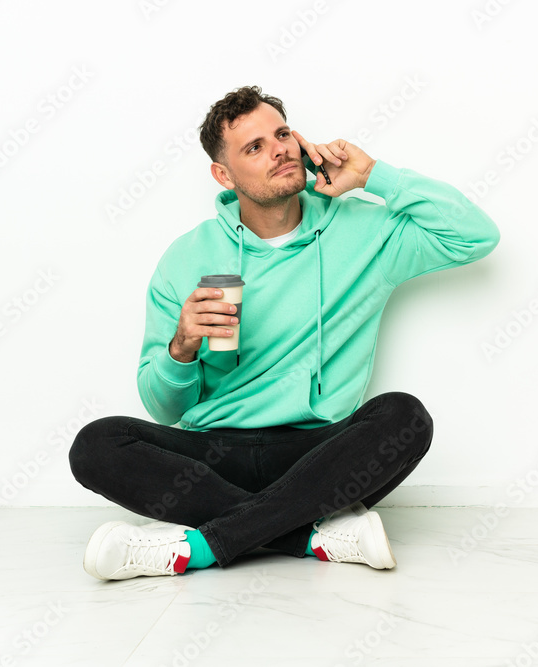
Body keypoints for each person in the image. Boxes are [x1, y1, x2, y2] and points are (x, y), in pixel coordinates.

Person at [69, 85, 499, 580]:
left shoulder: (366, 233)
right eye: (254, 147)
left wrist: (373, 176)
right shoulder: (186, 257)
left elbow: (476, 236)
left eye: (282, 134)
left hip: (317, 455)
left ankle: (201, 547)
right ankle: (308, 535)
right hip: (213, 454)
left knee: (405, 417)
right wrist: (181, 348)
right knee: (96, 444)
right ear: (223, 175)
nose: (279, 150)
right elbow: (164, 409)